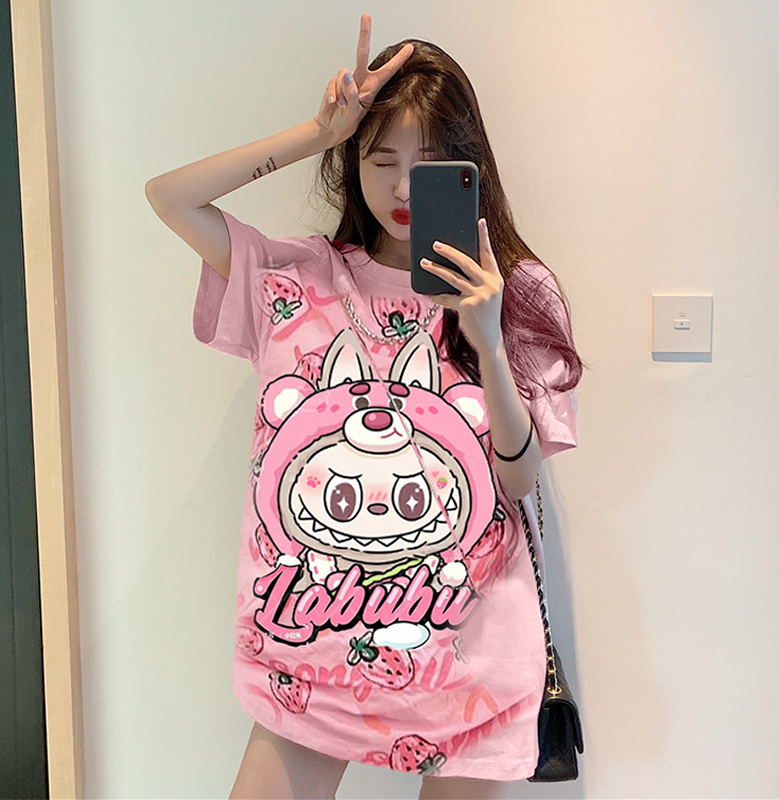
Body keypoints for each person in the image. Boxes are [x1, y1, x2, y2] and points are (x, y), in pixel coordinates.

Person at [145, 12, 584, 800]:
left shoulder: (517, 291)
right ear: (352, 163)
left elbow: (519, 482)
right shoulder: (297, 282)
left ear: (469, 168)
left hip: (470, 670)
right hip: (313, 666)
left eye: (430, 166)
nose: (403, 188)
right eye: (381, 160)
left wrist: (487, 343)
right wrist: (316, 133)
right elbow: (170, 197)